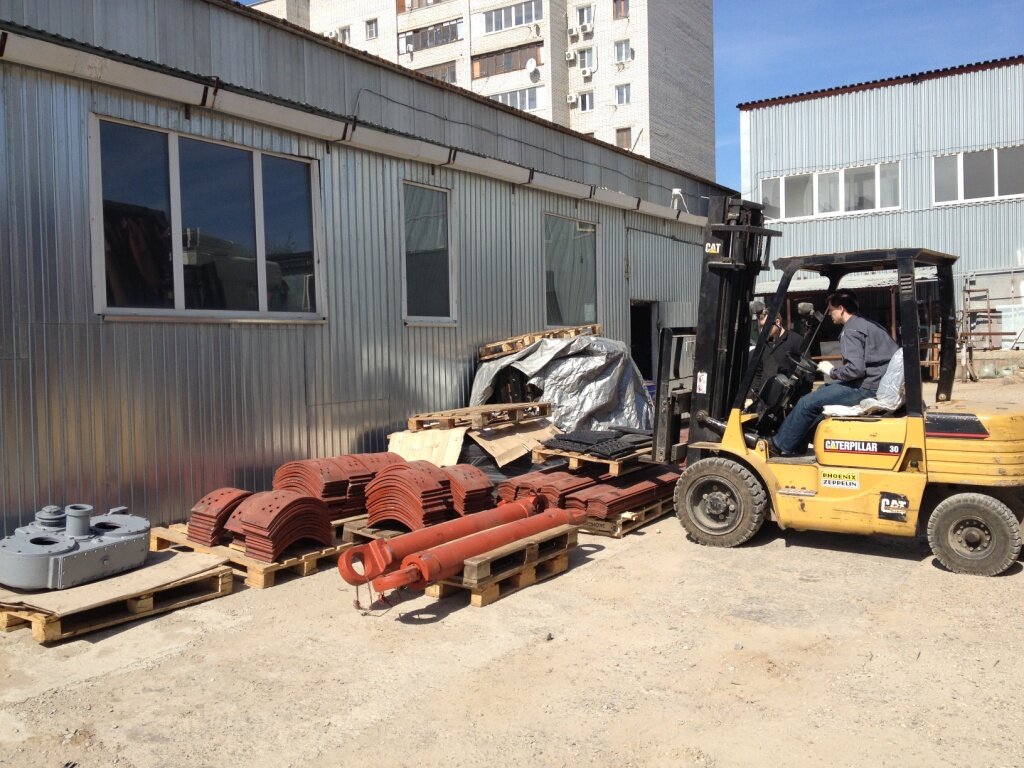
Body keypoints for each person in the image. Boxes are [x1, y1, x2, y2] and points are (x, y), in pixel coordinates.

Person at [770, 289, 898, 456]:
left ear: (841, 309)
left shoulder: (850, 331)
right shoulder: (866, 324)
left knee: (806, 403)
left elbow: (855, 369)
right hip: (876, 382)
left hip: (866, 387)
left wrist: (832, 370)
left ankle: (780, 445)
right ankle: (798, 442)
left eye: (831, 310)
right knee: (823, 390)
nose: (830, 314)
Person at [750, 310, 804, 396]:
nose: (763, 330)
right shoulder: (763, 344)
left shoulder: (796, 340)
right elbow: (757, 373)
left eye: (766, 326)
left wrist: (801, 396)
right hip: (764, 397)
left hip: (786, 397)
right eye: (761, 327)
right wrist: (752, 396)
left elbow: (806, 370)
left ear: (777, 322)